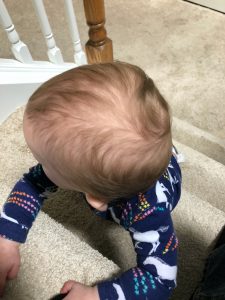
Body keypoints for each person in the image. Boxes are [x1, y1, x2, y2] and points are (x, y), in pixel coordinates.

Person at [0, 61, 182, 300]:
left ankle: (172, 154)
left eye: (44, 162)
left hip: (167, 181)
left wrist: (96, 295)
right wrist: (7, 240)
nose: (38, 167)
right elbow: (31, 185)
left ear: (95, 198)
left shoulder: (149, 215)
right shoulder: (90, 179)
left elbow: (160, 279)